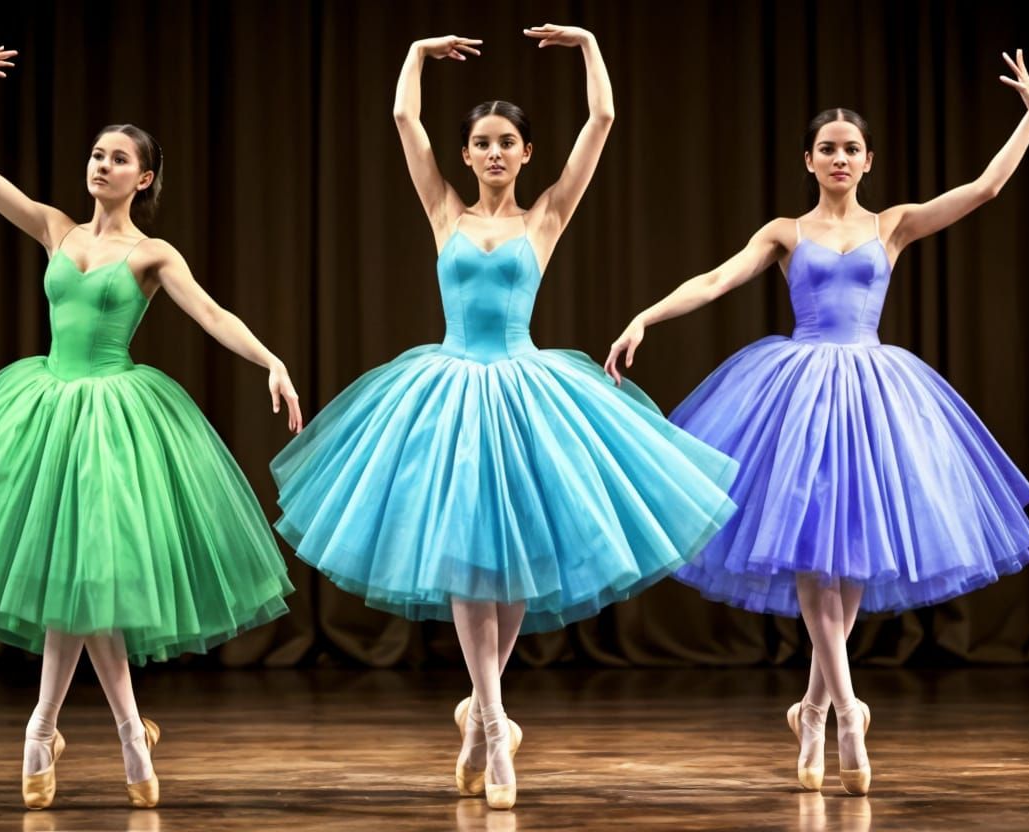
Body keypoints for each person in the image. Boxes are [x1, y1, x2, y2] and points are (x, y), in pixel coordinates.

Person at [271, 26, 738, 810]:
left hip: (525, 387)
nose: (493, 152)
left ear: (526, 154)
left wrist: (591, 43)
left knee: (512, 558)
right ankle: (492, 722)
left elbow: (602, 125)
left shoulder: (546, 216)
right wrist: (414, 54)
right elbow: (403, 125)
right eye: (482, 142)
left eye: (507, 142)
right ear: (468, 155)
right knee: (463, 555)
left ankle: (483, 713)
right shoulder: (445, 212)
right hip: (448, 386)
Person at [0, 47, 304, 810]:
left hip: (112, 418)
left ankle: (49, 728)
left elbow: (211, 314)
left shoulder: (151, 252)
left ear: (145, 178)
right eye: (98, 154)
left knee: (88, 581)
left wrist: (270, 360)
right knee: (76, 584)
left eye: (120, 158)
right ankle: (118, 730)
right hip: (42, 406)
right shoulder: (57, 229)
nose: (102, 165)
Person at [604, 50, 1029, 796]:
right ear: (809, 160)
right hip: (799, 393)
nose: (839, 158)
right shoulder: (785, 232)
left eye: (851, 149)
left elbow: (986, 187)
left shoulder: (893, 225)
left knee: (848, 564)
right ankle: (847, 713)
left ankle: (811, 710)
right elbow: (717, 279)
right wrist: (647, 315)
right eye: (828, 149)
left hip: (874, 391)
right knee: (815, 556)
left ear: (867, 160)